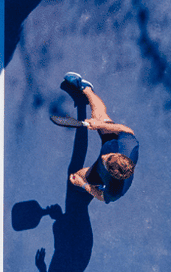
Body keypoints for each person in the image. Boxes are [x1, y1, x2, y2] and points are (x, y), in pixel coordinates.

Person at [59, 72, 137, 203]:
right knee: (98, 115)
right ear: (121, 156)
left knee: (76, 177)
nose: (103, 156)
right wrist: (99, 124)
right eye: (110, 156)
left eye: (106, 161)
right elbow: (126, 130)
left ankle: (95, 184)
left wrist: (84, 185)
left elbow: (102, 197)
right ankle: (86, 87)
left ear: (111, 173)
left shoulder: (115, 190)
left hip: (100, 175)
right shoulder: (129, 146)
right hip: (112, 142)